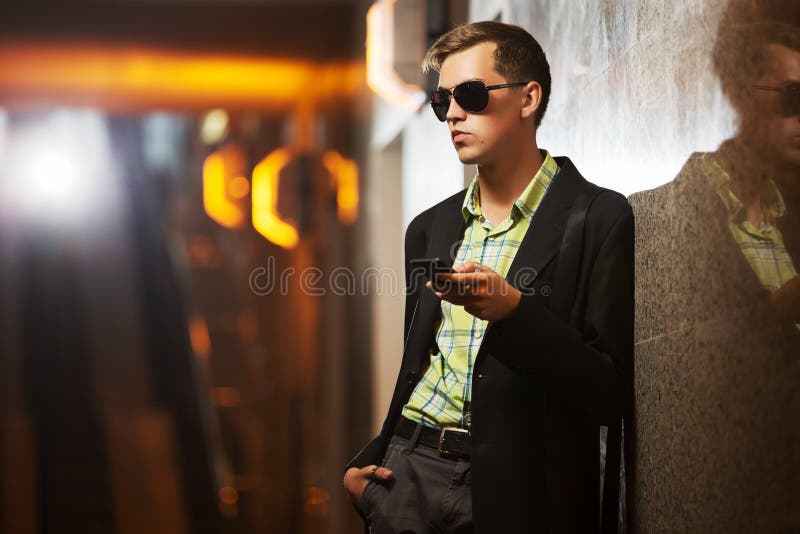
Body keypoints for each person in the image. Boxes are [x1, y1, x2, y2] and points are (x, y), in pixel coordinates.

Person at [344, 21, 634, 533]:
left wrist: (515, 313)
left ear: (528, 98)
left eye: (472, 95)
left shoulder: (596, 217)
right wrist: (369, 463)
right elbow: (419, 365)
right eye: (442, 102)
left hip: (520, 490)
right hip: (406, 474)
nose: (453, 113)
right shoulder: (429, 228)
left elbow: (608, 393)